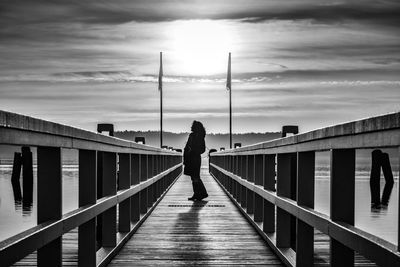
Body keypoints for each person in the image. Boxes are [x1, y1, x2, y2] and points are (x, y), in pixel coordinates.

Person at [184, 120, 208, 201]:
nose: (191, 127)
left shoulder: (196, 136)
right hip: (194, 158)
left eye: (192, 125)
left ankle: (202, 193)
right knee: (194, 177)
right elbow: (202, 149)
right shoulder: (199, 136)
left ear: (195, 127)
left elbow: (201, 149)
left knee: (195, 177)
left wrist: (192, 151)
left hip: (193, 158)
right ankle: (197, 194)